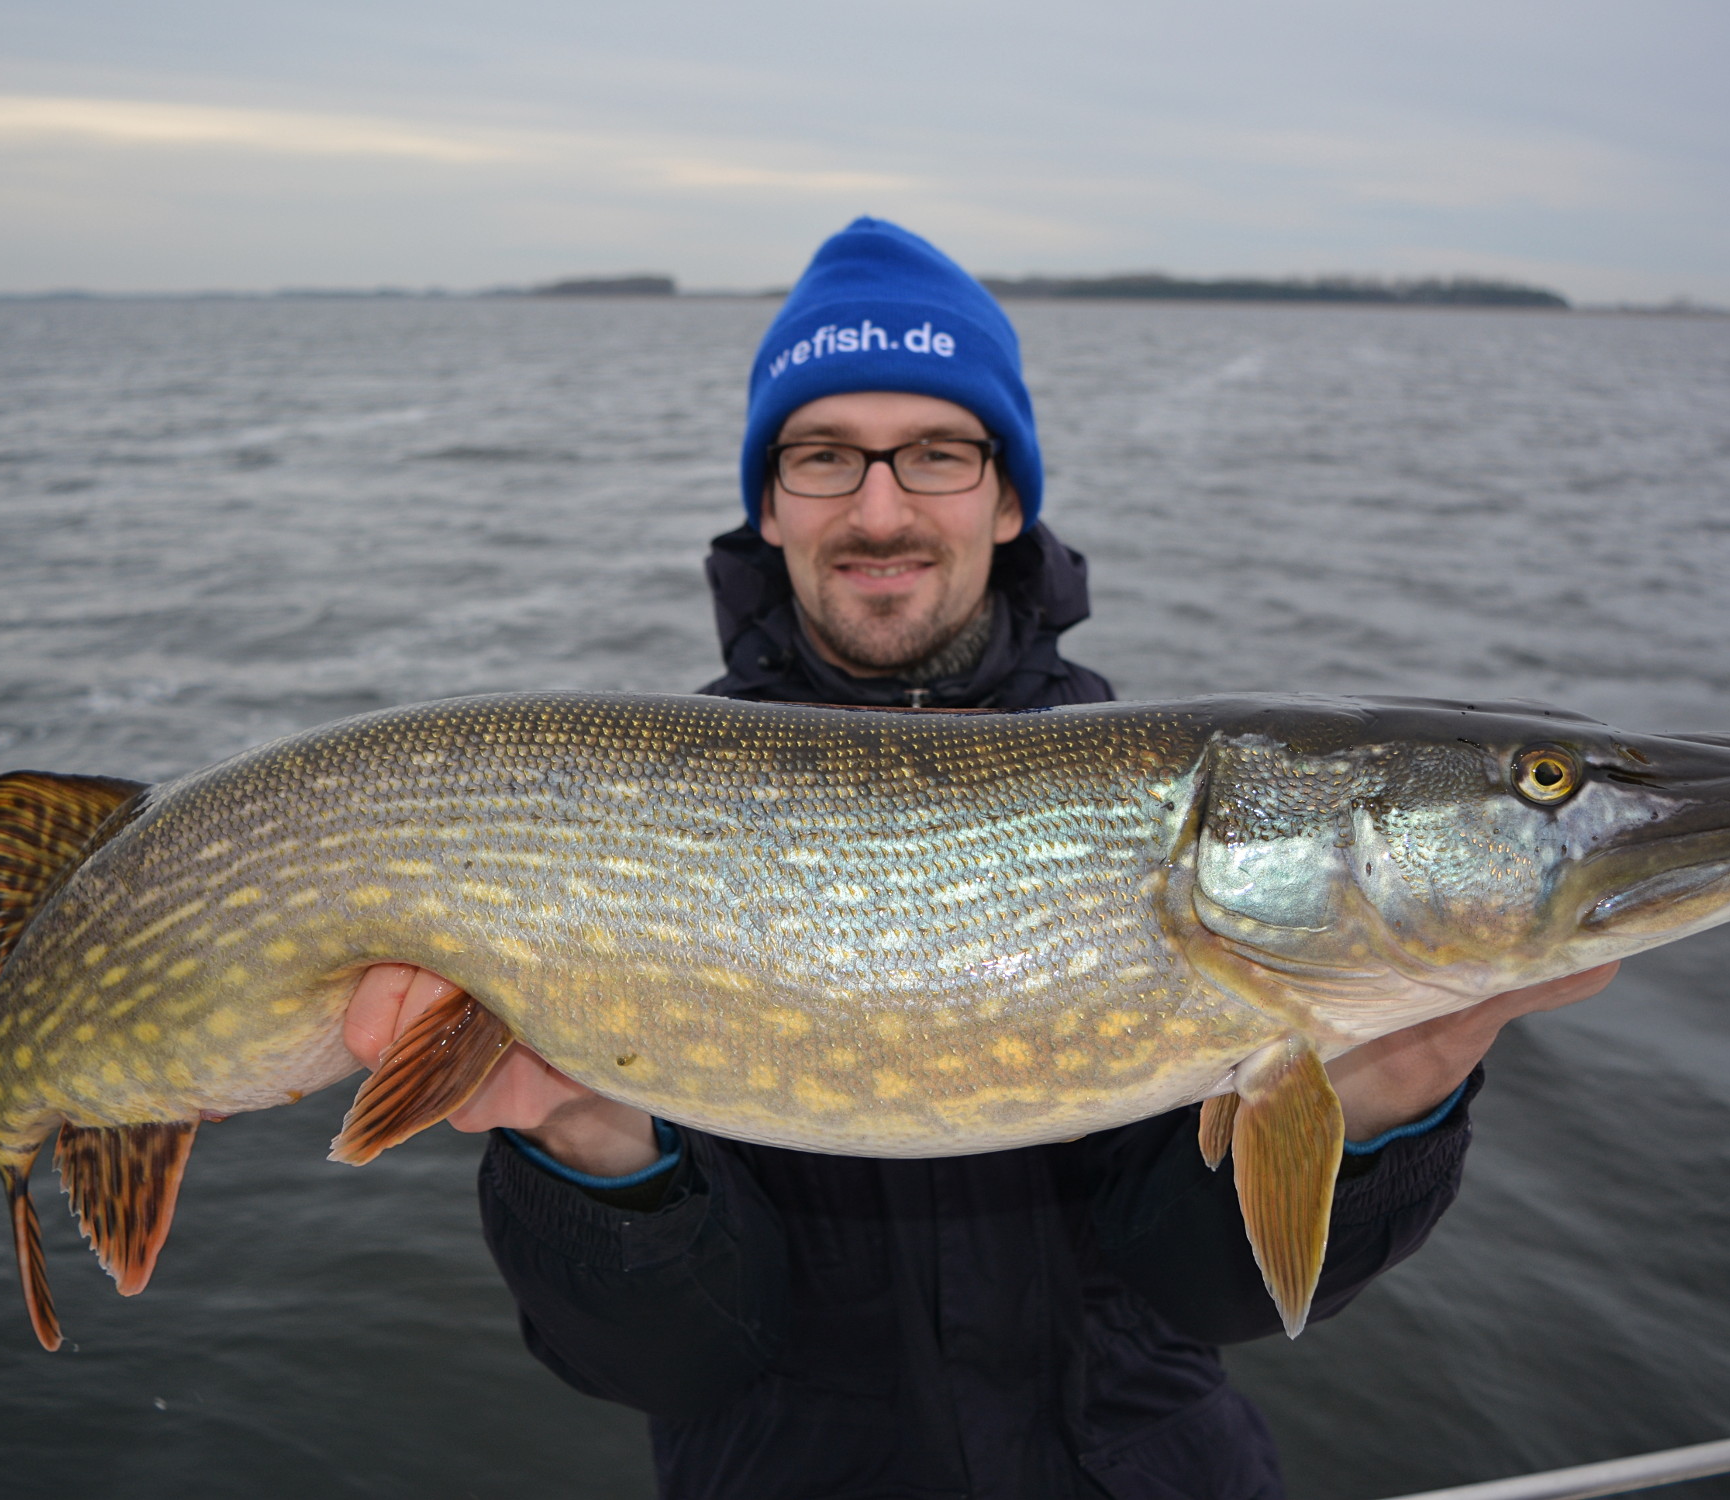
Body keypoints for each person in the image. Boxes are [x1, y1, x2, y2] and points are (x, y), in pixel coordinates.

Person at [344, 218, 1616, 1498]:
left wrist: (1390, 1092)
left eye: (937, 453)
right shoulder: (607, 826)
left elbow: (1206, 1290)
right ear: (768, 503)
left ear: (1006, 499)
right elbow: (665, 1366)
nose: (880, 505)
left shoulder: (1161, 793)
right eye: (825, 455)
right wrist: (588, 1136)